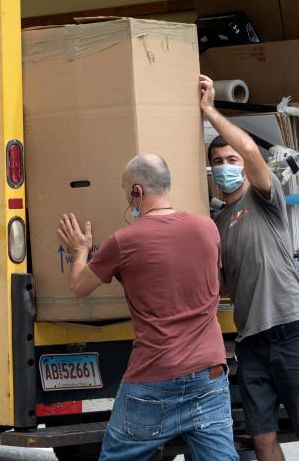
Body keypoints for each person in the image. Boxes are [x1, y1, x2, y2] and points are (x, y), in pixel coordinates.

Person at [58, 153, 239, 461]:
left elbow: (79, 287)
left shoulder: (123, 242)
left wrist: (81, 251)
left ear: (137, 192)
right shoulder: (208, 228)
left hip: (153, 377)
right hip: (208, 373)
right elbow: (216, 284)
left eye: (125, 190)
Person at [198, 75, 299, 461]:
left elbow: (248, 147)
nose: (225, 166)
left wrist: (210, 111)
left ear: (244, 165)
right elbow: (223, 286)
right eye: (217, 162)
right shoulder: (217, 224)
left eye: (231, 160)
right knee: (262, 439)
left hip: (293, 329)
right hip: (252, 342)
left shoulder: (265, 197)